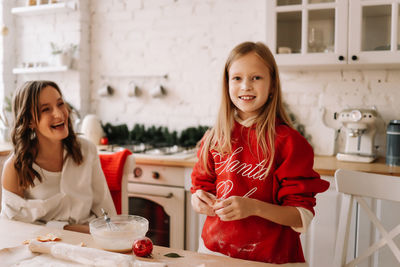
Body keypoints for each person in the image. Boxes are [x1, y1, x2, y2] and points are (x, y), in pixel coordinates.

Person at [191, 41, 329, 264]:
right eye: (237, 78)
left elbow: (301, 216)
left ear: (272, 85)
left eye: (256, 77)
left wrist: (253, 207)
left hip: (273, 259)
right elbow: (200, 188)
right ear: (227, 84)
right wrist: (198, 201)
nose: (246, 86)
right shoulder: (214, 137)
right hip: (214, 254)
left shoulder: (290, 142)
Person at [1, 80, 116, 233]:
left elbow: (106, 213)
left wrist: (113, 236)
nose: (59, 113)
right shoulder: (15, 168)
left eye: (60, 104)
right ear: (29, 121)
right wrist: (68, 229)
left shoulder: (87, 150)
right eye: (46, 109)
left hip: (88, 244)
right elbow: (13, 228)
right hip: (39, 249)